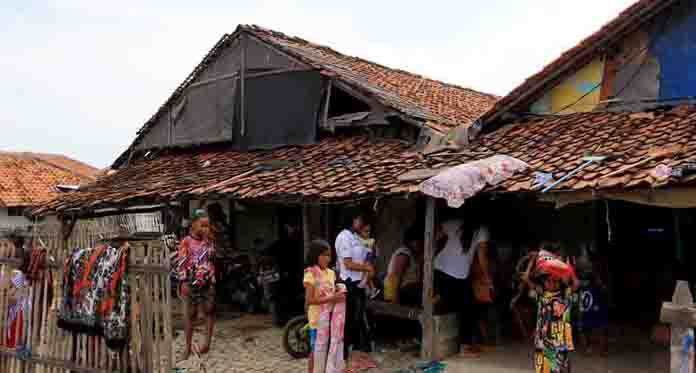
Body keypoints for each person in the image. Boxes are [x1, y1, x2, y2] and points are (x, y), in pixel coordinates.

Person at [433, 219, 490, 358]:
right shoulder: (482, 230)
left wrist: (434, 253)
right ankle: (465, 347)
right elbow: (482, 256)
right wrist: (487, 277)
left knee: (450, 303)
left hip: (438, 268)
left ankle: (461, 344)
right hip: (456, 276)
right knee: (469, 307)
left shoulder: (455, 223)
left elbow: (434, 236)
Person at [523, 242, 580, 373]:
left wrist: (569, 268)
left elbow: (576, 283)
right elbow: (526, 278)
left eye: (555, 281)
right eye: (548, 280)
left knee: (561, 369)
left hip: (560, 342)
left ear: (560, 281)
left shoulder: (565, 296)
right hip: (543, 341)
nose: (551, 283)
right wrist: (533, 260)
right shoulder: (542, 295)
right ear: (543, 281)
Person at [173, 209, 217, 361]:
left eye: (207, 226)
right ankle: (187, 347)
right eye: (203, 225)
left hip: (207, 280)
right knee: (190, 315)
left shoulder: (209, 240)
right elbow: (182, 263)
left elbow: (212, 257)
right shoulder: (185, 241)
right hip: (190, 282)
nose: (206, 229)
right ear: (193, 225)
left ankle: (207, 344)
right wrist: (183, 282)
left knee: (209, 311)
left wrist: (207, 241)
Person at [303, 239, 346, 373]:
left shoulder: (331, 273)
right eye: (325, 255)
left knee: (326, 349)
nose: (329, 258)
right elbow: (309, 300)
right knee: (316, 351)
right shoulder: (311, 274)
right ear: (316, 255)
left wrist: (338, 289)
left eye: (329, 255)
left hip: (330, 318)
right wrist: (333, 297)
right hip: (317, 320)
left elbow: (330, 291)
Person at [335, 211, 374, 356]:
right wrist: (366, 267)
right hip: (348, 283)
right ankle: (343, 352)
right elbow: (348, 263)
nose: (361, 222)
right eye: (359, 219)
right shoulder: (344, 237)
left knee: (357, 318)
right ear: (352, 220)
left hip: (359, 284)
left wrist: (370, 256)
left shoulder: (356, 237)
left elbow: (365, 255)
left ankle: (356, 350)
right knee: (349, 319)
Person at [384, 225, 424, 306]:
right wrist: (395, 300)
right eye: (420, 241)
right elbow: (395, 277)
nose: (422, 244)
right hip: (402, 293)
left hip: (408, 292)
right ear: (412, 241)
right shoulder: (404, 254)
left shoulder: (414, 255)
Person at [358, 223, 380, 299]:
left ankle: (371, 289)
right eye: (365, 231)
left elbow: (375, 254)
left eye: (369, 231)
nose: (368, 233)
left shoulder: (370, 242)